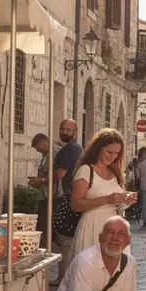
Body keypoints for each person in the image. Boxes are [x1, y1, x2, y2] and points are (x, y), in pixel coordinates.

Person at [69, 128, 136, 260]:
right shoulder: (86, 170)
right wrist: (106, 199)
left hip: (115, 225)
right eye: (109, 152)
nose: (112, 156)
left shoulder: (115, 172)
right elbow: (75, 205)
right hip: (92, 226)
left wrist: (126, 201)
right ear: (98, 148)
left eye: (116, 153)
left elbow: (116, 206)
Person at [51, 119, 82, 281]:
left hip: (67, 198)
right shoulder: (75, 149)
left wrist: (42, 180)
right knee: (67, 240)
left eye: (69, 130)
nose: (64, 132)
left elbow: (60, 174)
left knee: (63, 240)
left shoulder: (70, 150)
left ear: (75, 132)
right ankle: (65, 277)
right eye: (63, 129)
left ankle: (64, 278)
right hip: (71, 196)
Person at [27, 132, 54, 233]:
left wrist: (41, 180)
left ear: (44, 143)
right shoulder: (45, 156)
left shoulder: (55, 154)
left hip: (51, 196)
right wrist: (36, 181)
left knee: (45, 226)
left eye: (38, 148)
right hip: (44, 195)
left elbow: (56, 175)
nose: (37, 151)